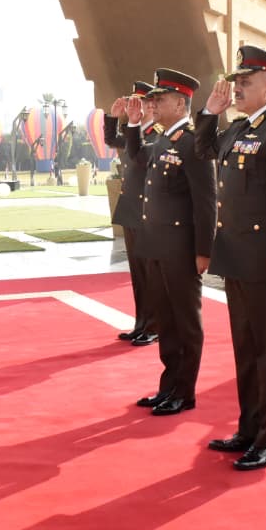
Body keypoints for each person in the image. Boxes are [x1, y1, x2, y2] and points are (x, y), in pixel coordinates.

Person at [195, 45, 266, 470]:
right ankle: (247, 428)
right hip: (237, 259)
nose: (237, 88)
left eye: (245, 82)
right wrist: (211, 110)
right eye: (236, 81)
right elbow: (204, 148)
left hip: (264, 263)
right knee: (245, 350)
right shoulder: (241, 129)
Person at [126, 68, 216, 418]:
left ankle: (184, 391)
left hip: (181, 248)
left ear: (180, 103)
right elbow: (137, 158)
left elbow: (207, 200)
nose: (152, 105)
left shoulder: (194, 142)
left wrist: (203, 251)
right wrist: (133, 124)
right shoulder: (164, 138)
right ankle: (169, 386)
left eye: (158, 100)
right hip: (158, 246)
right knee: (166, 320)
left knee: (184, 322)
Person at [104, 82, 161, 346]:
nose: (134, 108)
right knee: (138, 274)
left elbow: (139, 158)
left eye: (139, 103)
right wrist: (113, 118)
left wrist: (131, 126)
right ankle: (141, 323)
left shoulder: (157, 134)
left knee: (151, 274)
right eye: (132, 103)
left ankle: (155, 326)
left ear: (152, 105)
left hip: (149, 212)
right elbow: (111, 140)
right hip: (131, 210)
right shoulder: (136, 132)